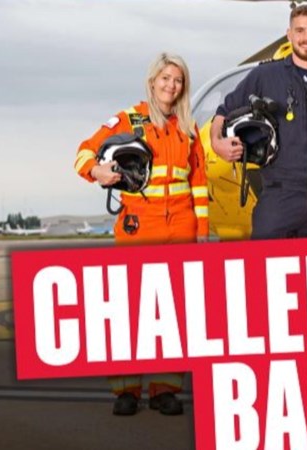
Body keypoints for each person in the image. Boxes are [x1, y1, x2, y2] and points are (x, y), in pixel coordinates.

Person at [75, 52, 207, 415]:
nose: (171, 86)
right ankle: (126, 390)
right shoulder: (128, 119)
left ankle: (165, 388)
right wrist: (96, 172)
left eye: (178, 80)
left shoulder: (188, 127)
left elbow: (198, 181)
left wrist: (202, 231)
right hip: (139, 225)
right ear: (152, 82)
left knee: (173, 312)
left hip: (182, 226)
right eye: (165, 78)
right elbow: (84, 152)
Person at [210, 4, 307, 239]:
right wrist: (217, 143)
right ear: (289, 35)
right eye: (299, 31)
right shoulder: (265, 75)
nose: (306, 38)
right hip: (278, 197)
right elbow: (224, 111)